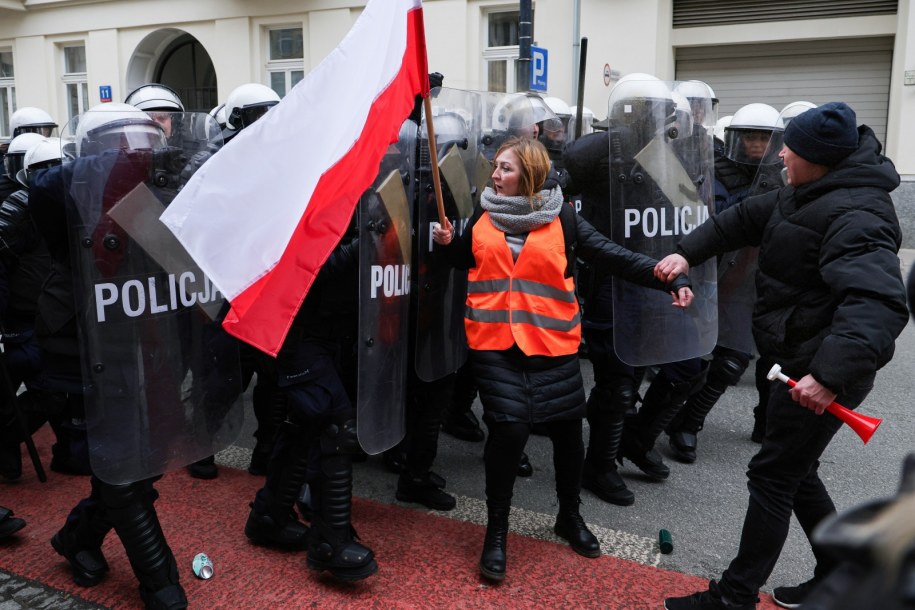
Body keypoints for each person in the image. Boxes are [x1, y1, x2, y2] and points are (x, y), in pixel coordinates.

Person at [658, 101, 909, 610]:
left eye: (789, 150)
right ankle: (840, 572)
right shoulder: (804, 192)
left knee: (773, 477)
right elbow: (736, 222)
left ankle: (734, 597)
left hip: (819, 371)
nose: (780, 157)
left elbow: (878, 304)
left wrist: (828, 376)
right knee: (796, 470)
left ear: (817, 159)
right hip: (797, 359)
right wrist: (685, 251)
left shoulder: (857, 214)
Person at [432, 137, 693, 583]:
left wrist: (667, 279)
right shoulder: (484, 213)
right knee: (509, 431)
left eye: (506, 168)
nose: (495, 175)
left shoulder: (563, 218)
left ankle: (569, 517)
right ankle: (497, 532)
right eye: (496, 166)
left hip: (553, 346)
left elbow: (613, 256)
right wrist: (447, 243)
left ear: (531, 174)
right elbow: (463, 259)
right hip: (495, 344)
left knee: (569, 434)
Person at [31, 102, 192, 609]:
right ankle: (160, 582)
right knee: (125, 473)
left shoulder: (155, 191)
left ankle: (76, 537)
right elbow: (44, 189)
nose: (142, 153)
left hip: (145, 338)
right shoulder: (72, 190)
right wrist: (115, 164)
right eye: (126, 147)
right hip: (87, 346)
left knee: (147, 459)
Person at [665, 103, 784, 464]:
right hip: (704, 270)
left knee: (733, 360)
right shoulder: (711, 170)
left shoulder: (783, 178)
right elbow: (689, 211)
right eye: (749, 136)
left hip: (749, 280)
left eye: (764, 138)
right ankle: (654, 419)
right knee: (688, 357)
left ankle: (689, 423)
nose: (756, 144)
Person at [0, 137, 59, 481]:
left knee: (52, 392)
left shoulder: (69, 206)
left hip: (51, 314)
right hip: (21, 317)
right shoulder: (18, 208)